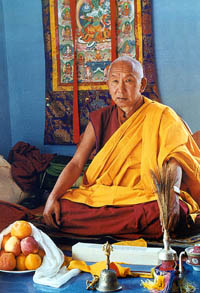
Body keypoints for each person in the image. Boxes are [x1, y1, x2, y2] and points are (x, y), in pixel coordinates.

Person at [43, 56, 200, 240]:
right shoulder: (100, 119)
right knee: (62, 208)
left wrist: (172, 194)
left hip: (146, 196)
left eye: (128, 81)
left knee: (172, 211)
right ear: (108, 85)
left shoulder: (163, 115)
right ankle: (138, 229)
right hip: (104, 195)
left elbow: (176, 160)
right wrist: (52, 197)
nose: (120, 89)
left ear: (142, 85)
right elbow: (77, 163)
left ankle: (112, 227)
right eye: (115, 81)